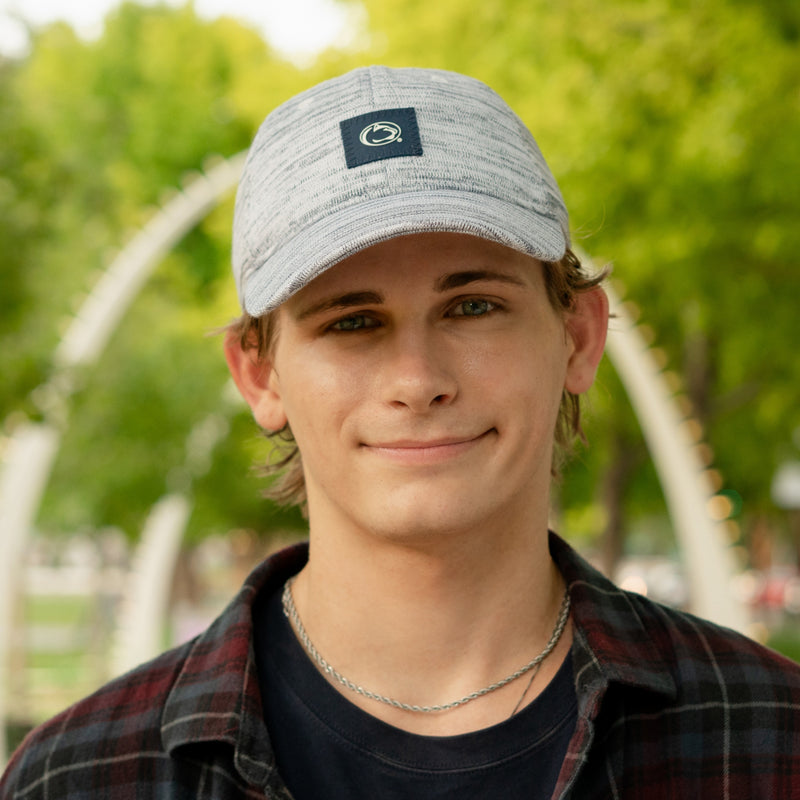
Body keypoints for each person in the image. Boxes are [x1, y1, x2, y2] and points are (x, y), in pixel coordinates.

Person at [2, 65, 800, 800]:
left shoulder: (769, 742)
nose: (417, 381)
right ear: (259, 375)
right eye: (352, 322)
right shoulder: (81, 776)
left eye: (473, 306)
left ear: (579, 339)